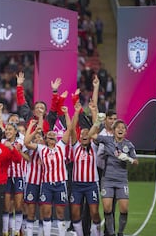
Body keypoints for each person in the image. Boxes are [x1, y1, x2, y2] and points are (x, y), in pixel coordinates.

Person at [24, 106, 72, 236]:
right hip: (46, 185)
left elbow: (70, 128)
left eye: (53, 134)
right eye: (49, 134)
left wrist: (67, 113)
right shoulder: (41, 148)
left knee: (60, 213)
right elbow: (26, 142)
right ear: (46, 139)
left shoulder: (61, 146)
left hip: (60, 183)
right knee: (46, 212)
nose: (52, 134)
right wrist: (34, 130)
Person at [88, 118, 139, 236]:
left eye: (123, 128)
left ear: (126, 131)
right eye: (118, 128)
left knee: (124, 208)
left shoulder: (129, 145)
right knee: (107, 208)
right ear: (114, 130)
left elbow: (136, 162)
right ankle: (111, 233)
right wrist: (97, 123)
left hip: (122, 180)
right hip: (108, 180)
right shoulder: (107, 140)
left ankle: (120, 233)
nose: (120, 130)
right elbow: (91, 135)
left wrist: (128, 158)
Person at [70, 101, 101, 236]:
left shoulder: (94, 147)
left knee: (94, 212)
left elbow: (96, 127)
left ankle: (97, 234)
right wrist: (76, 112)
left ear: (90, 137)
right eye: (82, 133)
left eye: (86, 133)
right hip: (76, 185)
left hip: (91, 185)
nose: (84, 135)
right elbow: (71, 129)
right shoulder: (75, 146)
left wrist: (94, 112)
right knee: (75, 212)